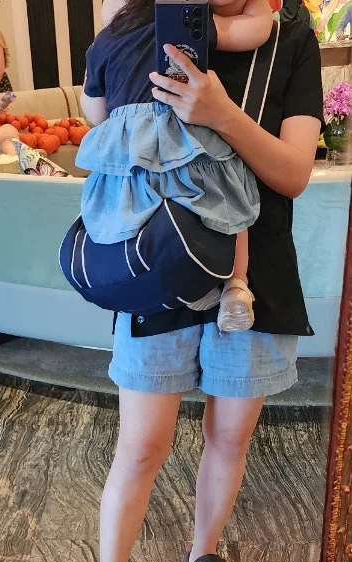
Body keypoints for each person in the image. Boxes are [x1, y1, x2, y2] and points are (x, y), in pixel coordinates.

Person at [85, 0, 323, 562]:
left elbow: (294, 173)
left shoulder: (289, 36)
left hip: (255, 269)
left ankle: (204, 551)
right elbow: (104, 122)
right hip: (158, 258)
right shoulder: (139, 23)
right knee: (141, 443)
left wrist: (223, 116)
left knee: (230, 435)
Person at [80, 0, 274, 337]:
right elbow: (253, 31)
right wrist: (259, 6)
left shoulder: (102, 42)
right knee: (228, 200)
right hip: (182, 136)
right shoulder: (183, 24)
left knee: (132, 218)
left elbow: (95, 112)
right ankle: (236, 285)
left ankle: (174, 285)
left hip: (130, 156)